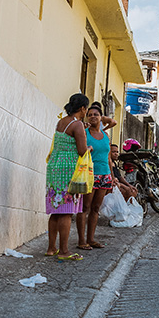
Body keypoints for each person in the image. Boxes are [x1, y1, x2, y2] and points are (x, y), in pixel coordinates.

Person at [45, 94, 89, 260]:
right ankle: (64, 251)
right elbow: (82, 150)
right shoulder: (77, 125)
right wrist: (89, 147)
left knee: (56, 210)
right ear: (83, 108)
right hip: (69, 170)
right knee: (66, 212)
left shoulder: (62, 122)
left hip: (54, 168)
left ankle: (51, 248)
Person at [77, 102, 118, 248]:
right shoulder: (84, 132)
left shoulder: (105, 135)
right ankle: (81, 241)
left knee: (96, 209)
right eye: (90, 115)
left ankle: (91, 239)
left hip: (104, 175)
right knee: (85, 207)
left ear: (101, 117)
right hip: (89, 175)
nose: (93, 117)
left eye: (96, 114)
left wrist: (112, 177)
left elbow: (108, 158)